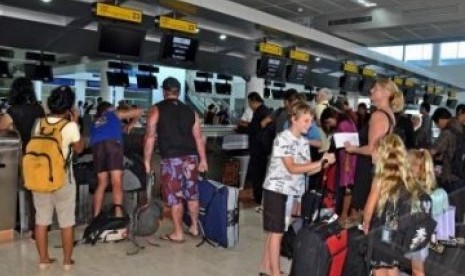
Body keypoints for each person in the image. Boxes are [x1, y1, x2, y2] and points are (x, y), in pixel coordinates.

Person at [259, 101, 335, 276]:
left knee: (276, 230)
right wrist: (321, 162)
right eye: (306, 121)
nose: (310, 125)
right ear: (294, 119)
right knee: (277, 232)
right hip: (276, 190)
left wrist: (323, 162)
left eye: (311, 121)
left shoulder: (303, 141)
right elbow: (292, 168)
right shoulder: (283, 138)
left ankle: (266, 267)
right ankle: (275, 271)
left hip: (290, 191)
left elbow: (307, 170)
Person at [144, 77, 207, 243]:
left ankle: (178, 233)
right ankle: (194, 227)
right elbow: (199, 138)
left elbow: (150, 137)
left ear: (164, 91)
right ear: (178, 92)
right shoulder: (191, 111)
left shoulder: (156, 109)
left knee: (175, 197)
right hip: (191, 159)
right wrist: (203, 161)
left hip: (172, 160)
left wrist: (146, 161)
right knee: (192, 194)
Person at [31, 86, 84, 271]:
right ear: (69, 106)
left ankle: (43, 260)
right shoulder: (69, 126)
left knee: (41, 220)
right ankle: (67, 261)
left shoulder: (39, 123)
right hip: (62, 179)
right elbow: (79, 149)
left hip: (39, 178)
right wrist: (76, 123)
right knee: (66, 221)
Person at [345, 79, 404, 222]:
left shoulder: (378, 116)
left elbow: (372, 149)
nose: (371, 91)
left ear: (386, 93)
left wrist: (353, 149)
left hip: (368, 168)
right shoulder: (390, 115)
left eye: (375, 88)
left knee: (359, 211)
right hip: (379, 166)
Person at [362, 134, 418, 276]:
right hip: (398, 234)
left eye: (374, 149)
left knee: (379, 269)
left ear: (382, 154)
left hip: (381, 232)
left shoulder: (380, 179)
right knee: (393, 267)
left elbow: (369, 209)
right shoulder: (406, 178)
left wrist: (365, 224)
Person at [0, 77, 45, 236]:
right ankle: (36, 226)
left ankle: (22, 223)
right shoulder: (38, 109)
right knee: (36, 192)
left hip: (21, 154)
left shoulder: (14, 111)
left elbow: (1, 126)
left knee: (22, 189)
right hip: (39, 153)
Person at [90, 101, 143, 217]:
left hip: (97, 146)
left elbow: (112, 130)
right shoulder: (113, 114)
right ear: (109, 109)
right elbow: (139, 111)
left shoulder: (95, 122)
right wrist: (131, 124)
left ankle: (96, 216)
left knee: (102, 183)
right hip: (113, 144)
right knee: (116, 181)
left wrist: (124, 127)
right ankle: (118, 215)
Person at [320, 107, 358, 225]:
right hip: (349, 157)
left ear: (331, 117)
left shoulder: (342, 125)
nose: (329, 125)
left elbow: (347, 145)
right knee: (348, 187)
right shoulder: (348, 121)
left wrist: (346, 164)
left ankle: (343, 215)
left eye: (328, 122)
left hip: (348, 159)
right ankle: (345, 214)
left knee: (346, 188)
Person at [407, 149, 437, 276]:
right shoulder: (424, 193)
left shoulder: (414, 194)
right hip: (420, 240)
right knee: (417, 271)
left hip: (415, 239)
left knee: (418, 271)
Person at [244, 92, 271, 205]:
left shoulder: (260, 112)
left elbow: (255, 129)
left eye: (249, 103)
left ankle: (258, 198)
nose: (249, 105)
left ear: (252, 101)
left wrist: (244, 127)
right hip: (262, 149)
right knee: (259, 174)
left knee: (258, 175)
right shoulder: (265, 110)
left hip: (258, 149)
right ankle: (258, 197)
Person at [430, 107, 463, 192]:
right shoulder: (460, 128)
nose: (438, 127)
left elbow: (434, 150)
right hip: (460, 172)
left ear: (440, 120)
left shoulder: (447, 132)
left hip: (450, 175)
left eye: (437, 124)